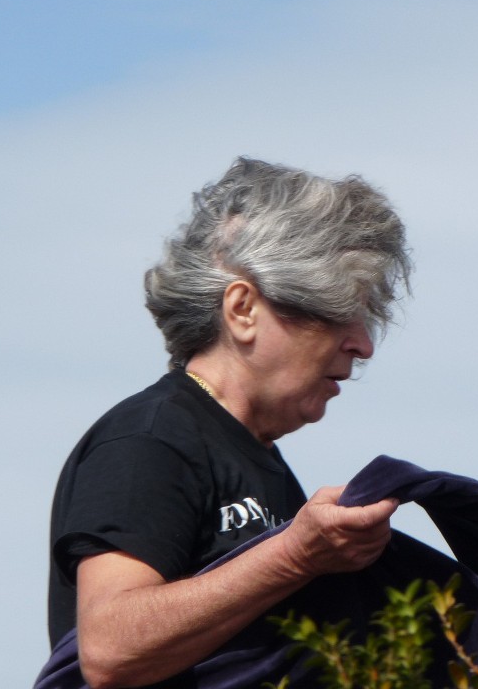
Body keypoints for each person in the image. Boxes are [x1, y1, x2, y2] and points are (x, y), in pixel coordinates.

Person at [47, 157, 413, 689]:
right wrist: (294, 554)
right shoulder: (151, 439)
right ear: (243, 309)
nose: (363, 345)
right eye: (337, 310)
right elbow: (110, 648)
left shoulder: (257, 458)